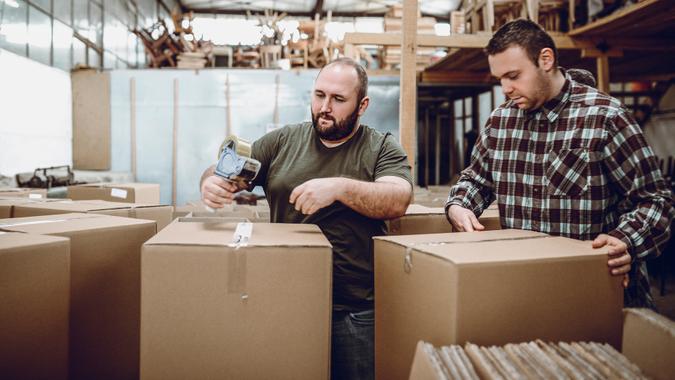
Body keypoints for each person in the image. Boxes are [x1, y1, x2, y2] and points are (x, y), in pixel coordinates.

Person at [200, 57, 413, 379]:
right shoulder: (282, 142)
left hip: (353, 310)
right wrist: (210, 181)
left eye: (339, 99)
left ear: (362, 104)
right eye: (319, 95)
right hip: (286, 299)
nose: (325, 107)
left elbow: (398, 198)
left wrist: (340, 188)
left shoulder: (380, 146)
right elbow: (227, 171)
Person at [445, 19, 673, 308]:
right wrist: (459, 205)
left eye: (514, 75)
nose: (506, 88)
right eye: (500, 78)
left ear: (546, 59)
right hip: (525, 289)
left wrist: (624, 239)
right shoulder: (500, 122)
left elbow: (656, 200)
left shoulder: (605, 117)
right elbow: (476, 179)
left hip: (597, 290)